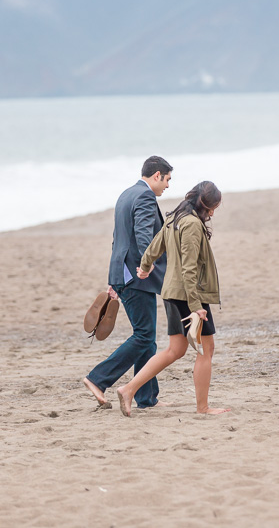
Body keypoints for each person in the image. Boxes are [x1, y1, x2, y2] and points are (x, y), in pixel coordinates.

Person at [116, 181, 229, 417]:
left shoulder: (174, 218)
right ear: (208, 206)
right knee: (205, 351)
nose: (213, 213)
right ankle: (203, 408)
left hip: (171, 293)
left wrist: (145, 267)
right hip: (188, 295)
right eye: (214, 207)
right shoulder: (191, 225)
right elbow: (189, 269)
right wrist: (197, 307)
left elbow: (154, 247)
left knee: (175, 350)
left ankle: (128, 389)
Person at [82, 156, 172, 409]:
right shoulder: (144, 197)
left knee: (147, 337)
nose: (167, 186)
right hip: (137, 276)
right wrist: (146, 264)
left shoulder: (125, 194)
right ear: (157, 175)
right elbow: (143, 234)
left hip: (123, 273)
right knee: (144, 336)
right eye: (167, 180)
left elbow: (118, 239)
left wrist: (114, 279)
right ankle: (97, 379)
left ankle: (146, 398)